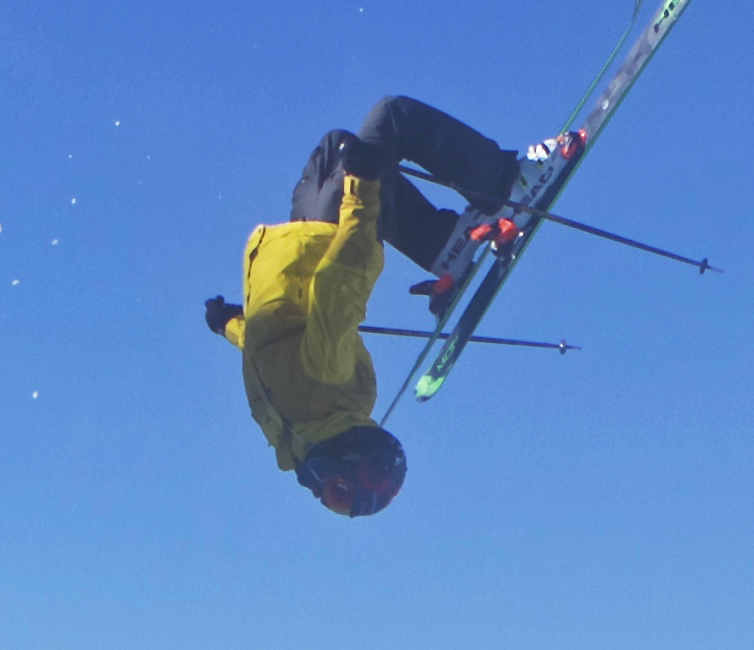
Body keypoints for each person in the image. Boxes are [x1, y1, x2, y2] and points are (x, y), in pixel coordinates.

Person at [207, 94, 539, 518]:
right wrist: (363, 188)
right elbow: (342, 279)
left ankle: (439, 245)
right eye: (338, 492)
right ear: (353, 460)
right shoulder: (329, 379)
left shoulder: (292, 435)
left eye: (332, 498)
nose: (319, 490)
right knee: (389, 119)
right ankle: (504, 184)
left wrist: (231, 324)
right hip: (326, 240)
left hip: (294, 241)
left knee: (343, 145)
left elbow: (268, 352)